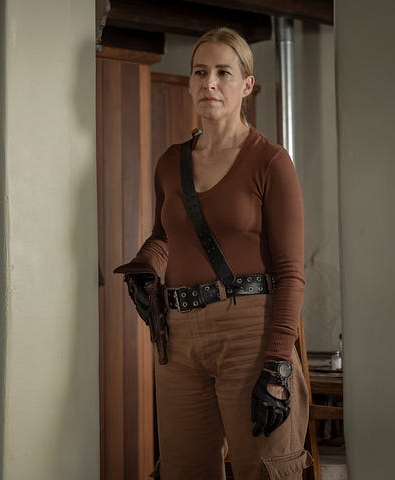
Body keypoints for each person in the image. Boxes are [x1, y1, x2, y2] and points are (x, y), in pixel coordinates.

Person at [116, 28, 312, 479]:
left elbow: (291, 273)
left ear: (247, 85)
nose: (210, 82)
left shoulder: (271, 162)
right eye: (200, 72)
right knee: (183, 471)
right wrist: (145, 266)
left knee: (263, 469)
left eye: (224, 72)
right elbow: (165, 236)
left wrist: (278, 364)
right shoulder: (170, 163)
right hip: (178, 335)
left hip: (251, 332)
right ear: (189, 83)